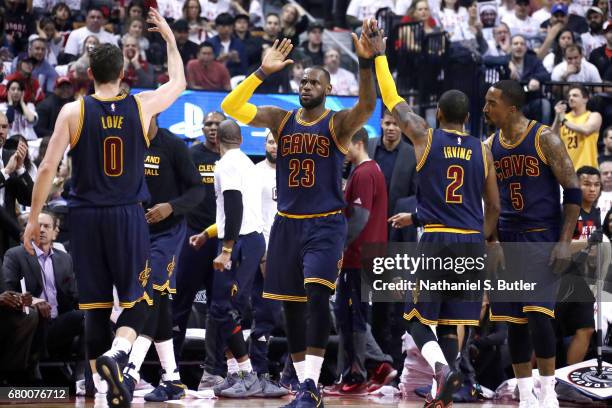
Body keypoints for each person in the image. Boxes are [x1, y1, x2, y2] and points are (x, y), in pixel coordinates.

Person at [22, 8, 186, 408]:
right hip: (128, 215)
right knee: (142, 301)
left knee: (95, 309)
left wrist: (31, 218)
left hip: (85, 217)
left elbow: (46, 167)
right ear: (123, 72)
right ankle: (118, 355)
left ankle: (102, 388)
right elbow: (179, 82)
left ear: (89, 73)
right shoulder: (142, 105)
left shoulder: (73, 111)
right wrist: (168, 38)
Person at [220, 20, 377, 406]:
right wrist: (261, 72)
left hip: (325, 224)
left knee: (316, 296)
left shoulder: (338, 124)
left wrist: (365, 64)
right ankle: (303, 383)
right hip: (286, 224)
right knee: (289, 306)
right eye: (303, 81)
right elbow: (231, 107)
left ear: (327, 89)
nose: (306, 86)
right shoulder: (280, 118)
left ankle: (311, 382)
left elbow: (369, 105)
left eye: (314, 82)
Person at [370, 24, 500, 406]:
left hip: (439, 240)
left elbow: (393, 99)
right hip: (472, 241)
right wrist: (484, 236)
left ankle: (444, 373)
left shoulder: (425, 137)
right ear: (467, 116)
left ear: (439, 112)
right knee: (448, 322)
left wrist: (379, 54)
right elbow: (493, 206)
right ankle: (447, 384)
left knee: (415, 318)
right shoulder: (483, 149)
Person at [483, 79, 580, 407]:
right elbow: (487, 202)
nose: (485, 109)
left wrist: (564, 241)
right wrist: (492, 240)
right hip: (507, 238)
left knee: (539, 316)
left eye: (490, 103)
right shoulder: (489, 145)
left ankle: (548, 392)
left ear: (510, 108)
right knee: (514, 323)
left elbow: (574, 189)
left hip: (541, 235)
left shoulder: (544, 138)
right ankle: (525, 396)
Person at [122, 115, 204, 402]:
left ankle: (130, 371)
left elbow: (197, 190)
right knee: (159, 302)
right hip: (135, 232)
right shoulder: (126, 144)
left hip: (168, 232)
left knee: (151, 291)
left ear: (155, 114)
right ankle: (172, 378)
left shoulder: (172, 145)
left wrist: (171, 206)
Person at [188, 120, 266, 398]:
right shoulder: (246, 162)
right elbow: (232, 212)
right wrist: (209, 234)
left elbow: (234, 205)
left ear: (217, 141)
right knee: (226, 309)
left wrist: (227, 249)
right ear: (241, 140)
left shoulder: (226, 164)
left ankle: (246, 375)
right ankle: (237, 374)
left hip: (240, 243)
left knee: (223, 309)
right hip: (247, 239)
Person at [334, 128, 392, 394]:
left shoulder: (365, 172)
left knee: (352, 316)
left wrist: (340, 247)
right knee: (348, 314)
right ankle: (376, 366)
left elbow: (359, 217)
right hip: (366, 255)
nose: (342, 151)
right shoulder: (370, 170)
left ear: (358, 143)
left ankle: (358, 374)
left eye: (345, 144)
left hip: (359, 257)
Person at [172, 111, 225, 390]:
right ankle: (172, 371)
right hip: (193, 240)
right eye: (208, 124)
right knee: (180, 305)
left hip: (221, 241)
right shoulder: (191, 156)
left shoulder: (230, 158)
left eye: (218, 124)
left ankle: (214, 371)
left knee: (219, 308)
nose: (213, 128)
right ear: (201, 128)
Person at [3, 210, 84, 362]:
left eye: (46, 226)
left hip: (57, 323)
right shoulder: (15, 255)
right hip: (30, 324)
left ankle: (82, 372)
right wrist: (34, 301)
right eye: (38, 226)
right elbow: (8, 294)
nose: (41, 230)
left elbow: (74, 295)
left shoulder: (65, 259)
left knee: (92, 316)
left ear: (55, 232)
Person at [249, 131, 289, 397]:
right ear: (264, 144)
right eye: (270, 141)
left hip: (291, 251)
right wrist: (263, 255)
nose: (274, 146)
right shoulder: (255, 172)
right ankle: (259, 372)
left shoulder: (294, 172)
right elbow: (252, 215)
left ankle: (291, 374)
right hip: (264, 253)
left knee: (297, 317)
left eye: (278, 141)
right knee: (264, 315)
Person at [554, 165, 598, 366]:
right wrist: (589, 243)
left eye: (597, 185)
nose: (592, 189)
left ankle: (568, 379)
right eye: (587, 184)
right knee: (546, 332)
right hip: (561, 277)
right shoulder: (568, 211)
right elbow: (559, 246)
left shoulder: (598, 215)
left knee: (586, 329)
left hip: (584, 281)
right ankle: (523, 381)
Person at [0, 112, 32, 258]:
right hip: (15, 231)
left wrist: (20, 169)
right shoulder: (8, 164)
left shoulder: (11, 156)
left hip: (9, 237)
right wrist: (6, 172)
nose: (1, 131)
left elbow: (29, 199)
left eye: (4, 127)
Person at [552, 85, 603, 170]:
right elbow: (552, 138)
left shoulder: (593, 116)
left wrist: (563, 120)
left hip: (587, 168)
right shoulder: (564, 117)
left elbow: (586, 130)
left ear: (585, 99)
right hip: (567, 170)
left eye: (575, 95)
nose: (571, 98)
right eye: (569, 96)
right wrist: (557, 118)